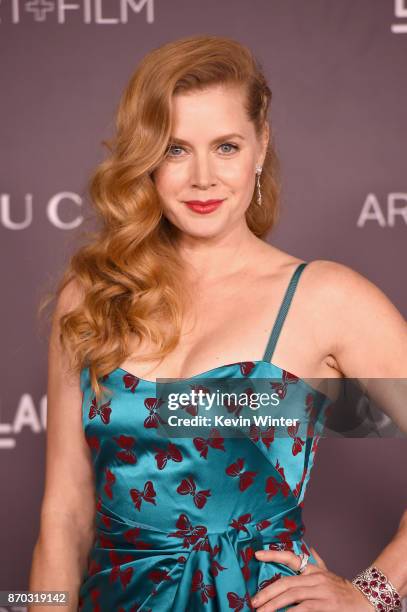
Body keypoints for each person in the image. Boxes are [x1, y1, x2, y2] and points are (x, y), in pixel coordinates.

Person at [29, 35, 407, 612]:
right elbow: (65, 514)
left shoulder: (325, 297)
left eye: (225, 146)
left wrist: (372, 593)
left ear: (261, 146)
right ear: (146, 158)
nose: (202, 177)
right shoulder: (91, 296)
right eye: (176, 149)